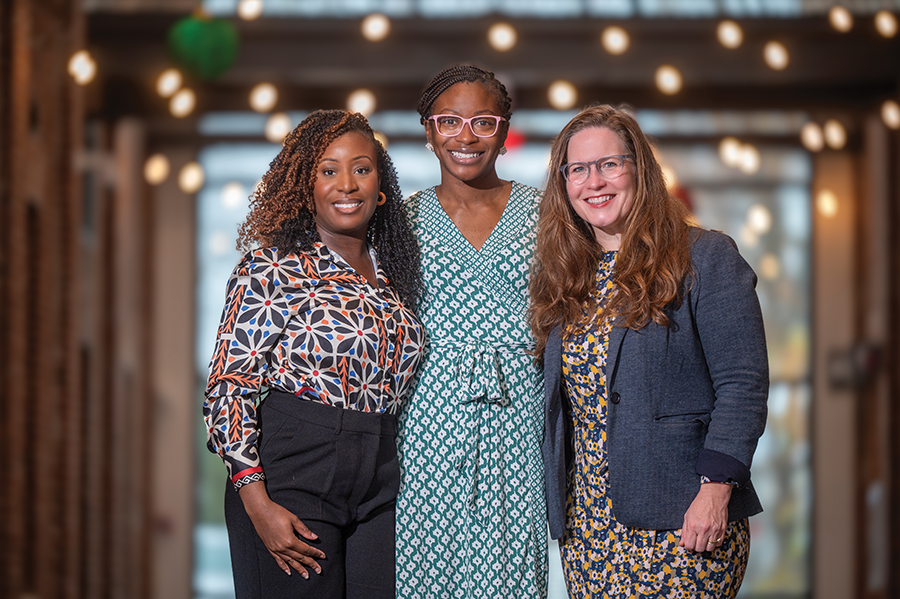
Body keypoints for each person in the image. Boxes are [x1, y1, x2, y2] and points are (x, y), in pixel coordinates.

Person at [530, 104, 768, 598]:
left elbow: (742, 386)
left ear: (639, 169)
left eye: (610, 164)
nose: (594, 181)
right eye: (578, 169)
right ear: (564, 183)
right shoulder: (564, 277)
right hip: (590, 529)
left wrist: (716, 489)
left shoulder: (703, 256)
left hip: (686, 520)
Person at [203, 109, 426, 599]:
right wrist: (257, 505)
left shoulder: (394, 272)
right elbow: (228, 387)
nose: (347, 184)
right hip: (293, 469)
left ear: (381, 185)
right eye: (328, 170)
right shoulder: (274, 265)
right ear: (306, 187)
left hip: (379, 478)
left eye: (361, 169)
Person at [395, 65, 547, 598]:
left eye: (483, 122)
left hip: (519, 411)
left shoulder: (547, 213)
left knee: (512, 567)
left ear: (504, 132)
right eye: (450, 121)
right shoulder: (400, 220)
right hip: (427, 414)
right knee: (425, 561)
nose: (466, 136)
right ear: (429, 131)